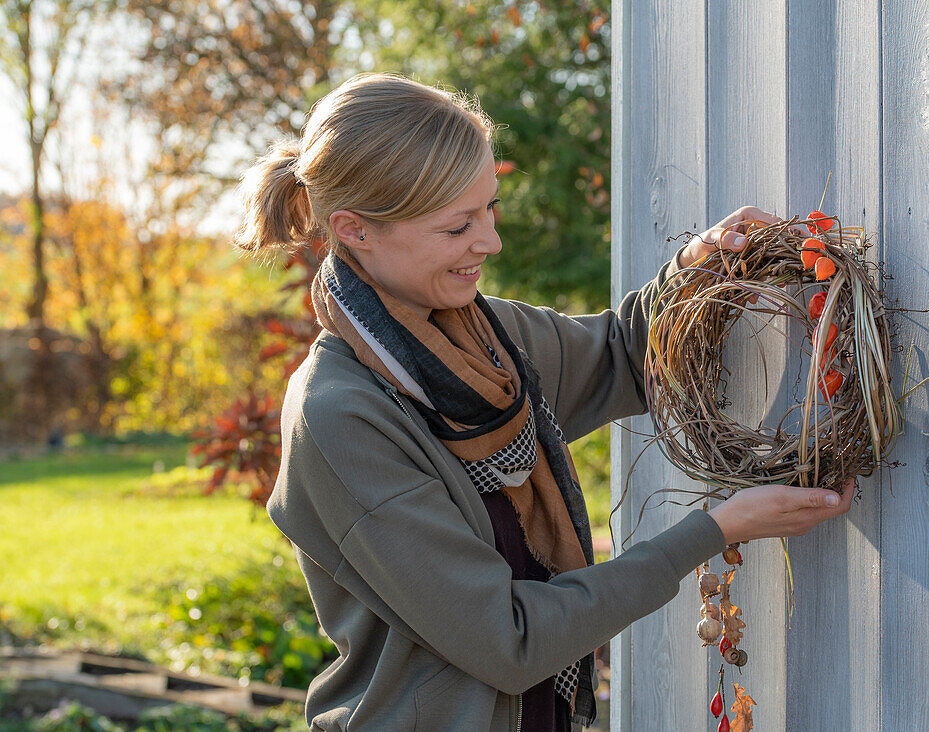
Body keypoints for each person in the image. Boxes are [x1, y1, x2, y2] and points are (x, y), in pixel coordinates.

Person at [236, 72, 854, 732]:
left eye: (489, 209)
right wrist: (712, 532)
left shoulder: (487, 338)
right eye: (457, 227)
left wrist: (696, 269)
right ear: (354, 230)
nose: (490, 242)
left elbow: (620, 355)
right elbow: (509, 640)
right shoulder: (340, 417)